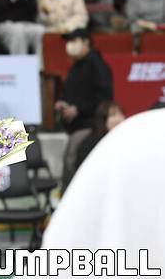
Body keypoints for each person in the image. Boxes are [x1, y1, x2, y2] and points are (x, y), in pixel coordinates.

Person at [15, 108, 165, 279]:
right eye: (112, 115)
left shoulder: (129, 134)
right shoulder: (122, 140)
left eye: (118, 113)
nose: (117, 118)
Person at [56, 28, 113, 192]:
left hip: (91, 125)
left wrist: (79, 109)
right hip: (76, 126)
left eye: (74, 41)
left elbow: (104, 98)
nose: (69, 45)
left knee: (72, 160)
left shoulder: (97, 66)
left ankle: (70, 195)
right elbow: (74, 93)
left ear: (86, 42)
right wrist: (64, 103)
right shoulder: (76, 66)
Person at [73, 101, 125, 176]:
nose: (119, 118)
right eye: (113, 115)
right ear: (102, 120)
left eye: (120, 114)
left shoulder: (125, 142)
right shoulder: (90, 145)